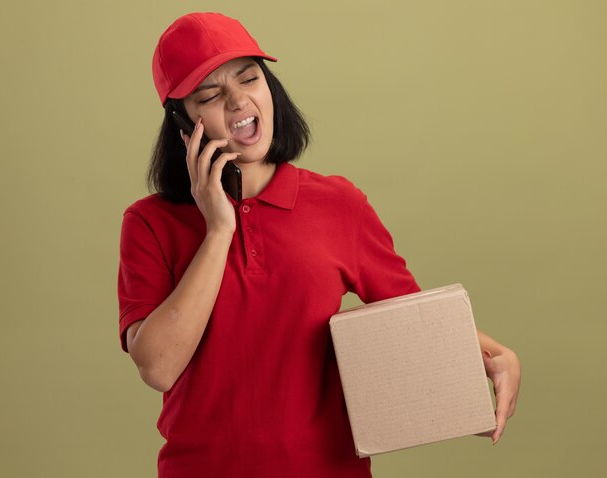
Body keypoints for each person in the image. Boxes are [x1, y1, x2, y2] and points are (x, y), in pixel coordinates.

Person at [117, 12, 521, 478]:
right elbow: (159, 367)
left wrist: (494, 355)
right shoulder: (149, 223)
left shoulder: (339, 205)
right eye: (209, 96)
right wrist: (217, 230)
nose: (238, 100)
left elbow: (416, 324)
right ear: (184, 125)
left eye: (249, 78)